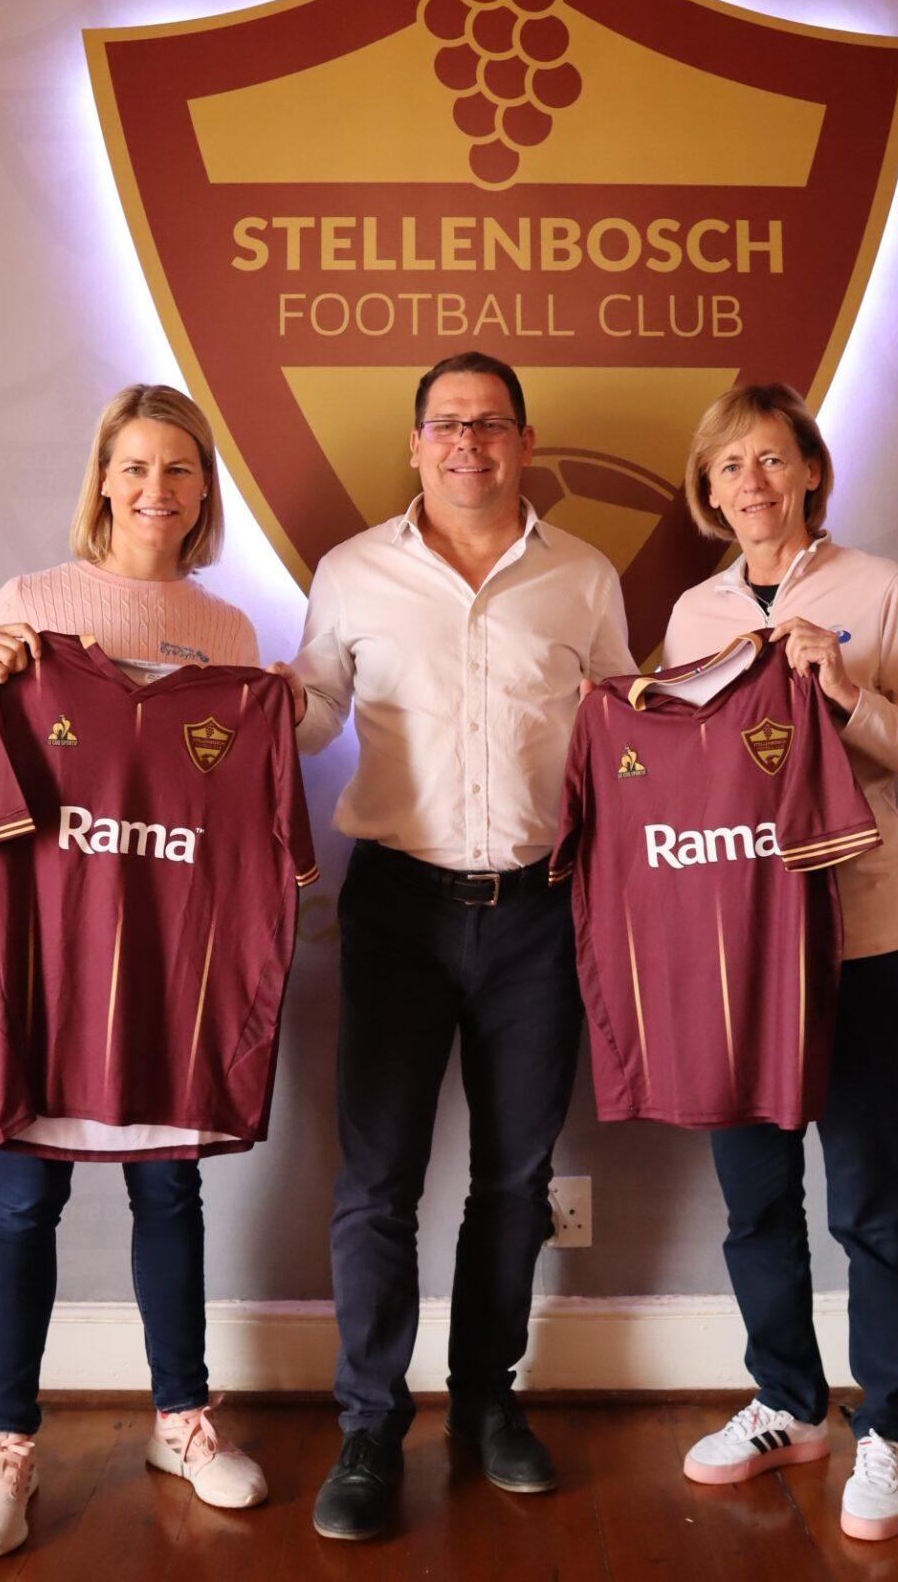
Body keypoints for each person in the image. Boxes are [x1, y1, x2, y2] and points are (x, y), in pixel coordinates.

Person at [275, 352, 636, 1541]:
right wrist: (254, 707)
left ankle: (486, 1401)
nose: (467, 442)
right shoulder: (350, 570)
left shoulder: (583, 575)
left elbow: (624, 733)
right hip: (396, 910)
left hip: (540, 909)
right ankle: (369, 1426)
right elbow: (313, 711)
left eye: (489, 423)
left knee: (515, 1178)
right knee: (376, 1181)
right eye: (445, 423)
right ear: (415, 442)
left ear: (523, 442)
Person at [0, 384, 270, 1558]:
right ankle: (7, 1440)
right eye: (134, 464)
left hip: (169, 955)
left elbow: (237, 808)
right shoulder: (30, 601)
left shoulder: (226, 631)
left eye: (178, 467)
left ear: (202, 489)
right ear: (103, 479)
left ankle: (179, 1415)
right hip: (39, 952)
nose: (154, 487)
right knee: (25, 1192)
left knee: (167, 1187)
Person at [663, 382, 898, 1543]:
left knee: (869, 1195)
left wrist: (845, 694)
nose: (748, 481)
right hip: (735, 950)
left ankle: (888, 1427)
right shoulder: (689, 614)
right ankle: (786, 1402)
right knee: (752, 1198)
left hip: (863, 936)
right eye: (726, 464)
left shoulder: (877, 588)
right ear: (706, 490)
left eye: (768, 458)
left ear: (807, 471)